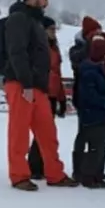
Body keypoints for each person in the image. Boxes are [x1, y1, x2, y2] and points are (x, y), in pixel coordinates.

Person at [2, 0, 76, 191]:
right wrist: (25, 82)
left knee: (48, 133)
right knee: (19, 133)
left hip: (37, 87)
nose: (46, 2)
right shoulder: (18, 19)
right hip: (21, 84)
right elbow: (17, 52)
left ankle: (55, 174)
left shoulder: (35, 21)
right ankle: (19, 175)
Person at [69, 15, 105, 180]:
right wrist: (93, 46)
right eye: (94, 32)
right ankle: (81, 170)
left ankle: (96, 169)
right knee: (85, 136)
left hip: (103, 94)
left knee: (100, 137)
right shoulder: (78, 49)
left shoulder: (104, 51)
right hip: (85, 97)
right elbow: (77, 60)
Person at [26, 17, 68, 182]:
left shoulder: (54, 48)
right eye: (50, 29)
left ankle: (42, 164)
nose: (53, 32)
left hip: (52, 93)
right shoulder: (39, 47)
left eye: (54, 29)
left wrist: (62, 98)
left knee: (47, 133)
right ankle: (35, 166)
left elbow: (57, 74)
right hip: (41, 91)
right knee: (41, 132)